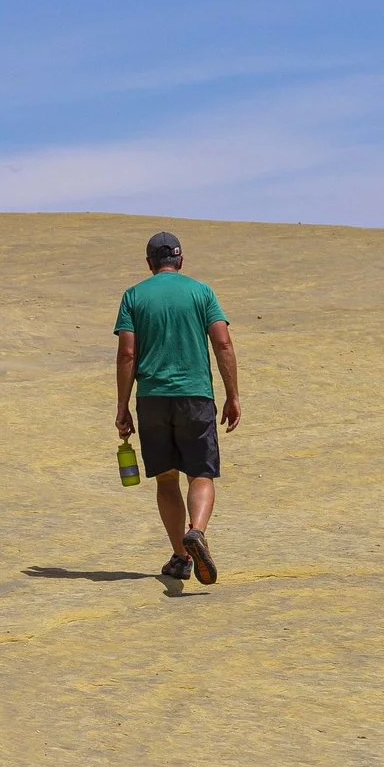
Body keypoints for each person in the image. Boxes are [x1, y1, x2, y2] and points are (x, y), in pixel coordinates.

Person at [113, 229, 239, 586]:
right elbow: (223, 342)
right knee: (201, 473)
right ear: (180, 261)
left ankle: (181, 557)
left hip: (152, 398)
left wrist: (122, 407)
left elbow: (127, 353)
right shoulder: (201, 292)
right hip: (196, 395)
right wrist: (232, 394)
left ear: (150, 263)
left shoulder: (134, 296)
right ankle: (196, 532)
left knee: (166, 477)